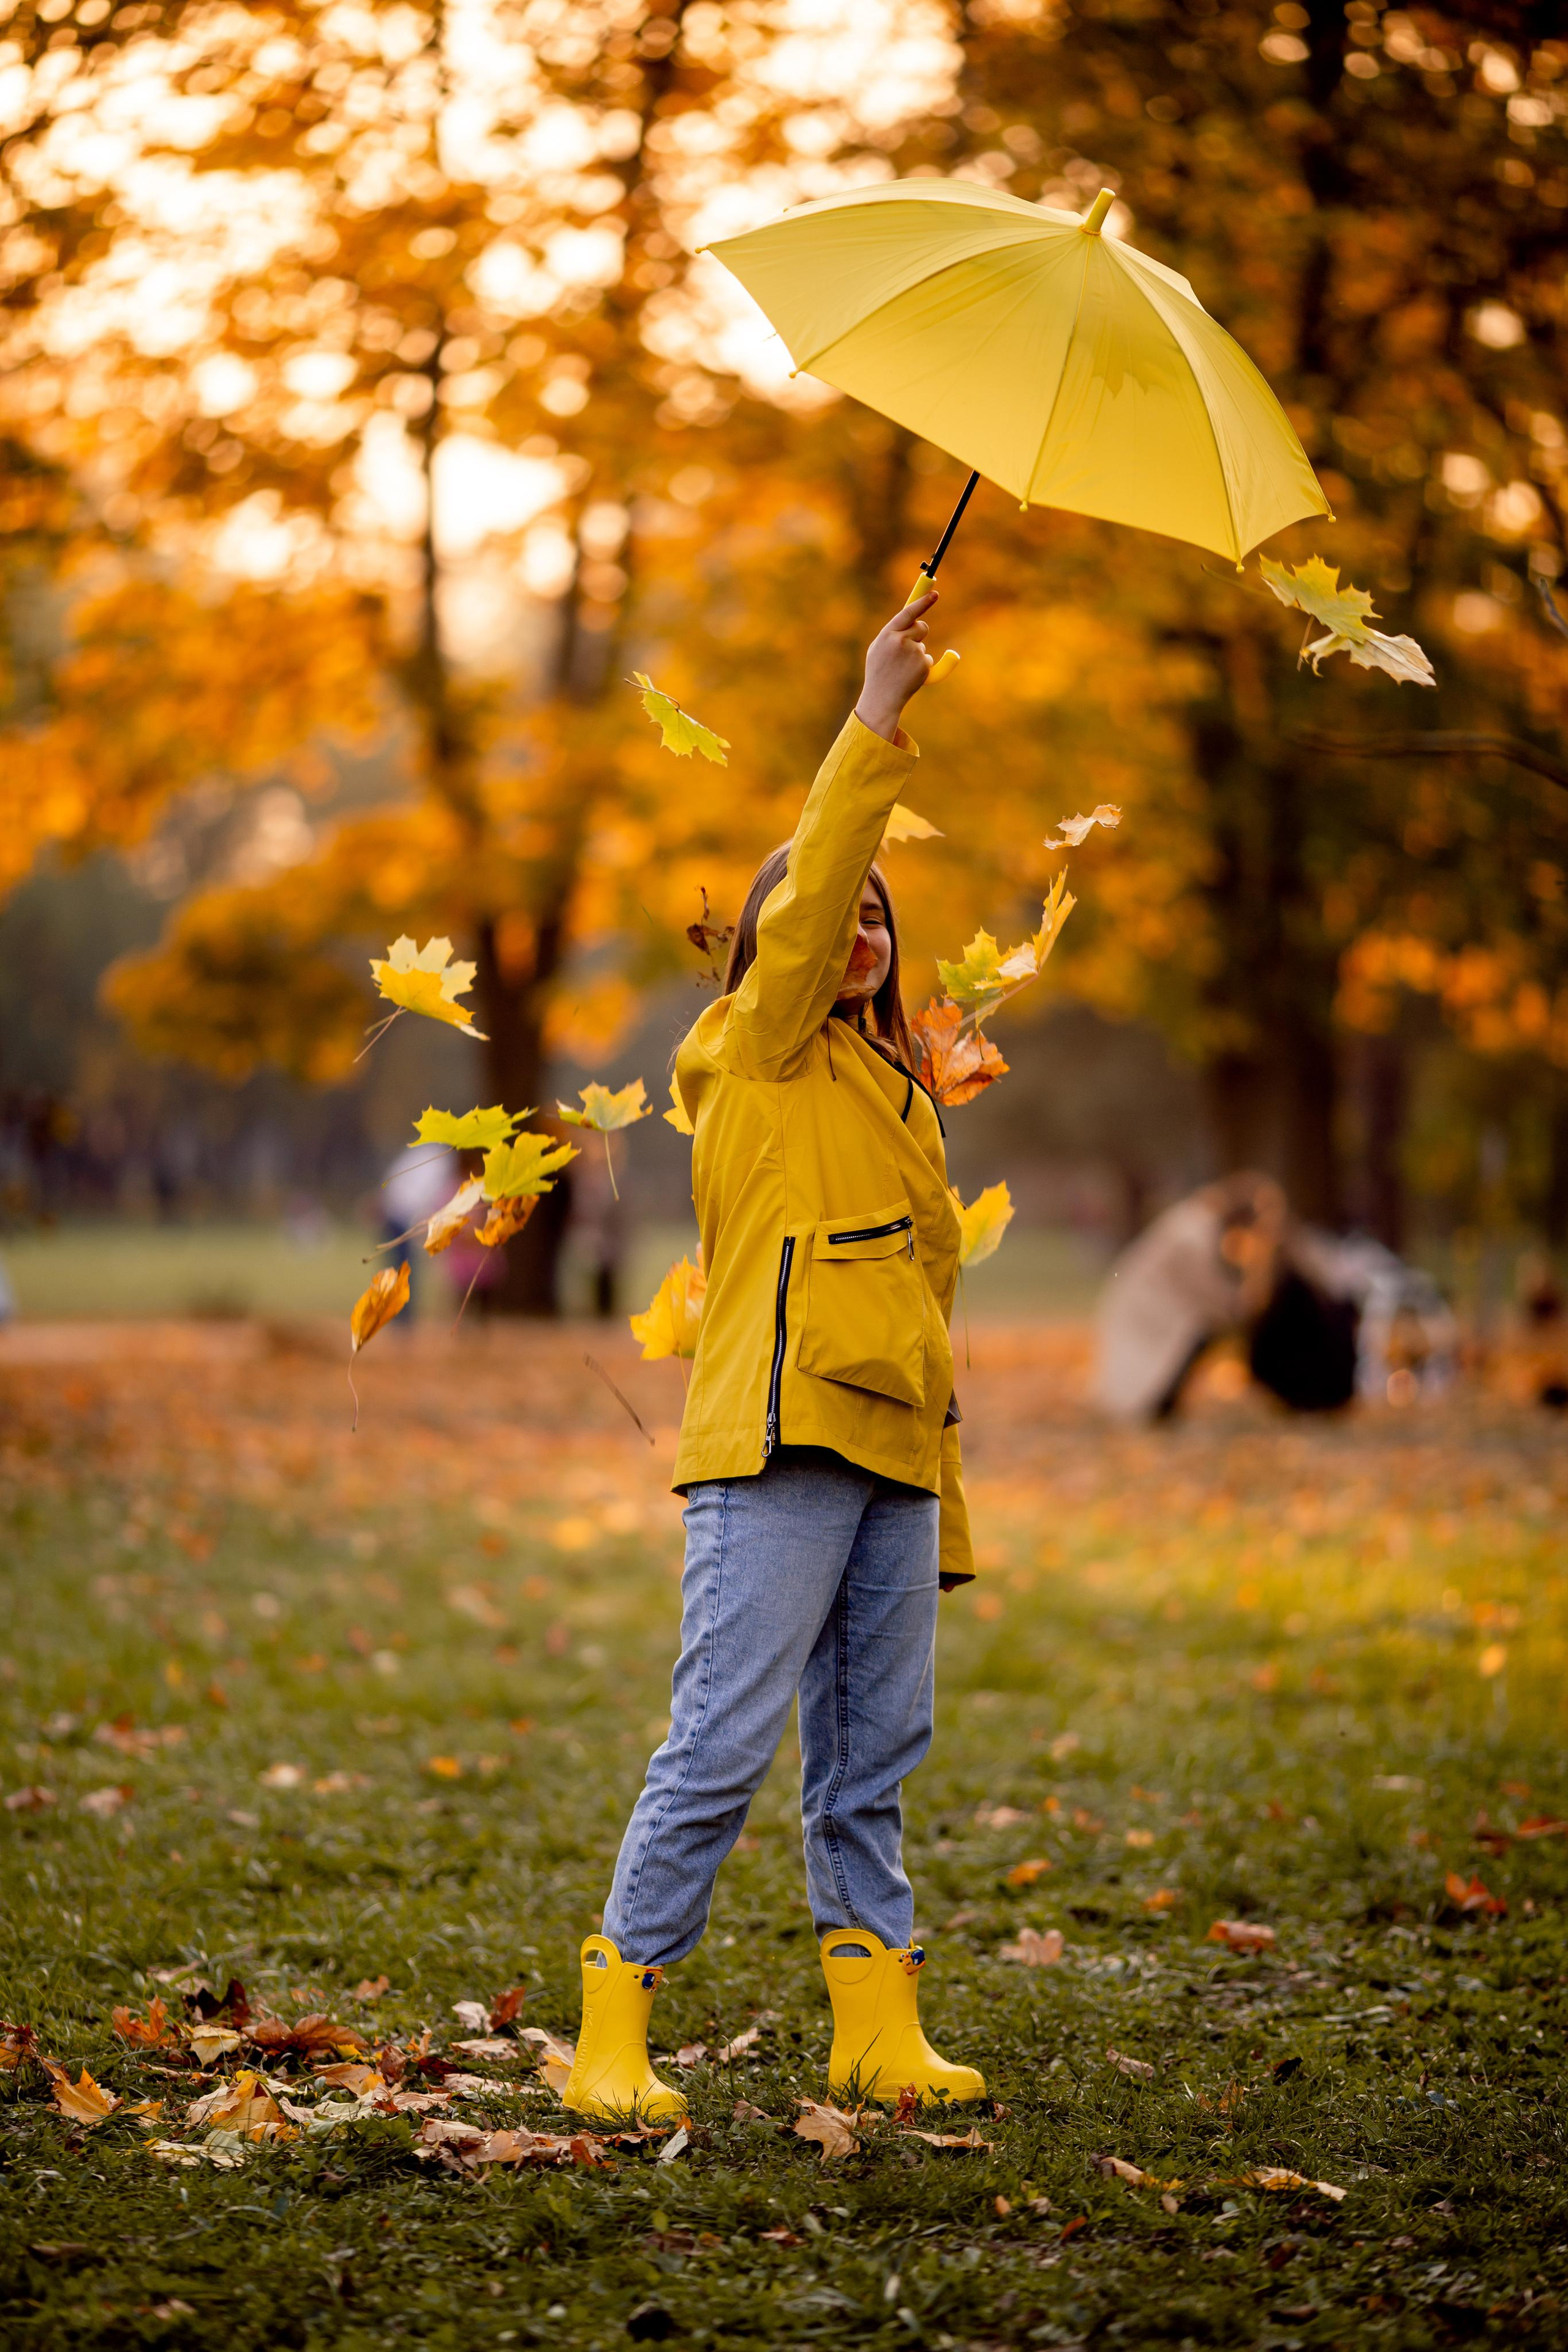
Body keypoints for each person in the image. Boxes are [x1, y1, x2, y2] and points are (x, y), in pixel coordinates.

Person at [562, 594, 984, 2125]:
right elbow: (804, 916)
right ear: (772, 942)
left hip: (892, 1449)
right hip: (779, 1439)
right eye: (830, 913)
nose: (855, 932)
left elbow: (918, 1298)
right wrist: (873, 713)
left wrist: (941, 1482)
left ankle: (873, 2028)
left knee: (873, 1753)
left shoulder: (894, 1090)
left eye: (878, 917)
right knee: (724, 1743)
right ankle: (613, 2027)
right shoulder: (759, 1045)